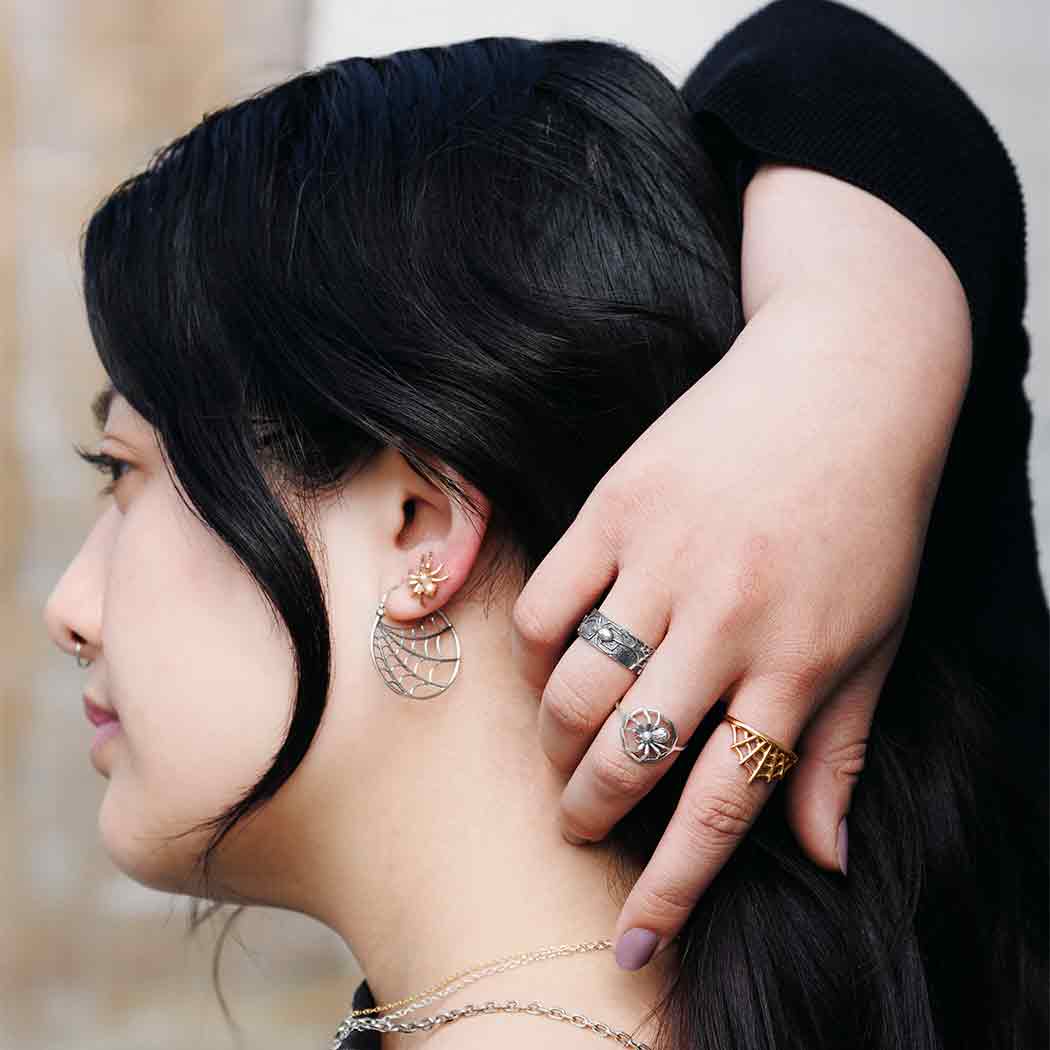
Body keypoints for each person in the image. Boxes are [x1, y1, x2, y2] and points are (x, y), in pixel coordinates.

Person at [43, 11, 1046, 1050]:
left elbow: (829, 68)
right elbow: (840, 78)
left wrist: (844, 361)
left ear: (418, 523)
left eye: (124, 477)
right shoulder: (930, 942)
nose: (67, 609)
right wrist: (854, 348)